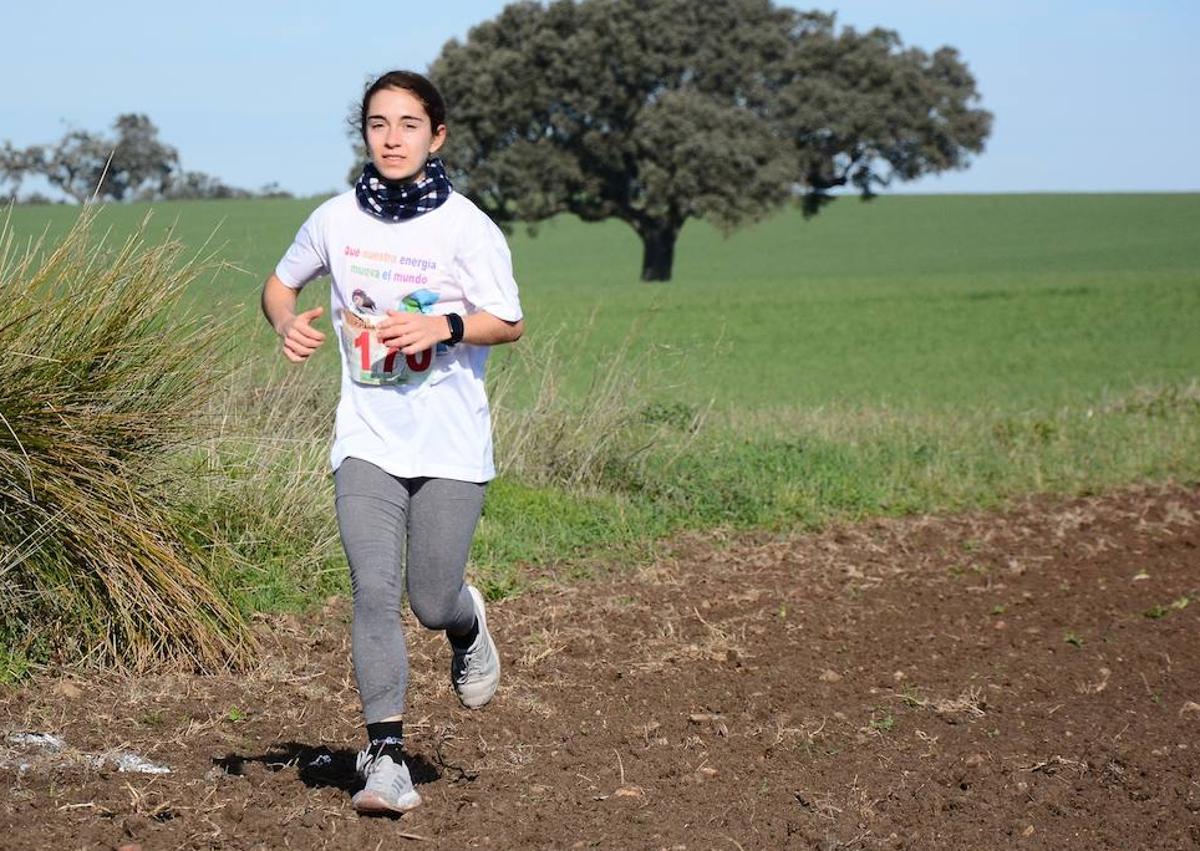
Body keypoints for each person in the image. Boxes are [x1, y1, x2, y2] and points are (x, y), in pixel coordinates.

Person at [261, 69, 524, 815]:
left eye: (409, 124)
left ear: (436, 135)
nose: (393, 137)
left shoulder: (467, 227)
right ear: (365, 134)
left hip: (449, 444)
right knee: (373, 590)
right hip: (366, 440)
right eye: (379, 123)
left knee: (429, 599)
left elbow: (508, 322)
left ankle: (466, 620)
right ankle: (385, 757)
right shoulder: (335, 219)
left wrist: (442, 326)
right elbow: (278, 286)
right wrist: (286, 322)